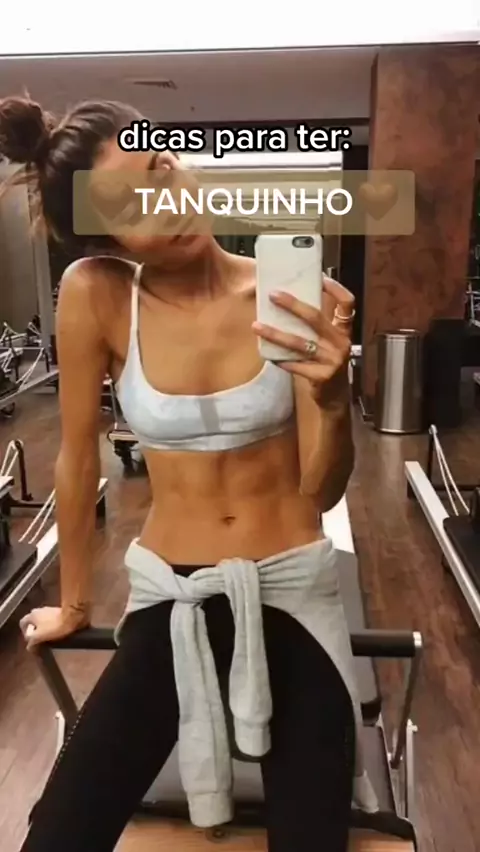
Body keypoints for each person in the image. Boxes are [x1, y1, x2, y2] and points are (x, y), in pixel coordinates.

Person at [0, 97, 377, 852]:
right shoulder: (97, 293)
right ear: (107, 238)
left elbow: (323, 490)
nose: (168, 202)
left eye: (162, 169)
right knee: (59, 832)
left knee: (311, 837)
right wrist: (73, 603)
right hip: (170, 595)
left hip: (293, 589)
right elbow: (77, 457)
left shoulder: (284, 289)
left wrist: (334, 402)